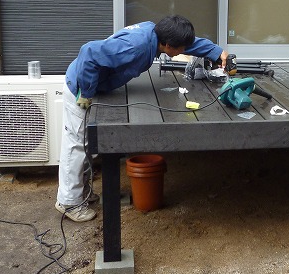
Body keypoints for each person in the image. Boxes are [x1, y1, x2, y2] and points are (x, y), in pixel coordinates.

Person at [55, 15, 230, 222]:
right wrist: (86, 91)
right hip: (80, 88)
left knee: (85, 145)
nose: (184, 51)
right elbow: (89, 52)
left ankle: (81, 194)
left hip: (93, 84)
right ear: (167, 45)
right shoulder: (136, 47)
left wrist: (216, 52)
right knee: (77, 144)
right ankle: (69, 202)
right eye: (180, 49)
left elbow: (187, 43)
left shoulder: (157, 33)